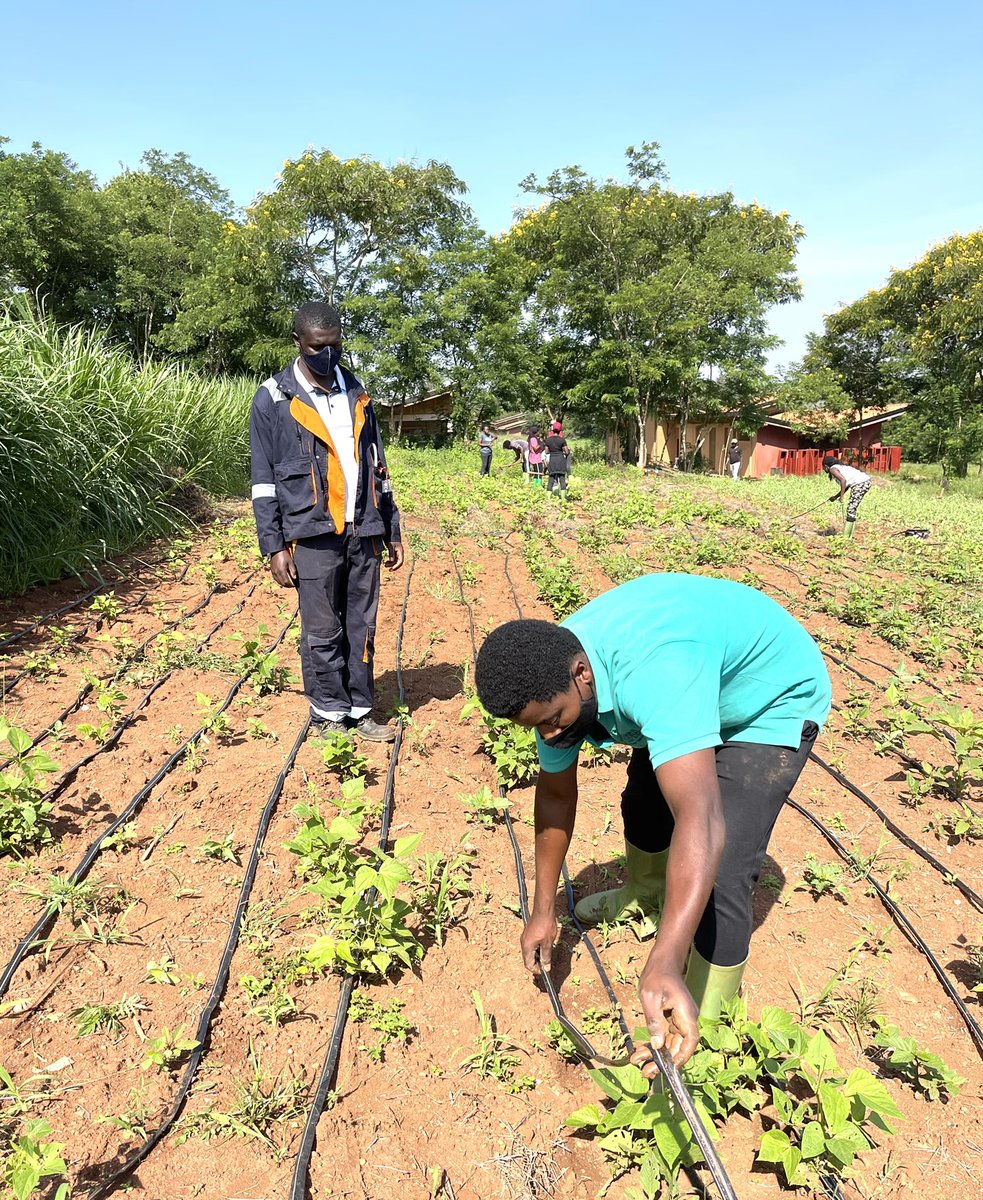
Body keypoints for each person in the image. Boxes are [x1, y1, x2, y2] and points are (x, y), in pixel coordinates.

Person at [474, 574, 831, 1070]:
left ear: (582, 674)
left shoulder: (656, 670)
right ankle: (645, 895)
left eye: (554, 720)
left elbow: (701, 819)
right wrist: (543, 910)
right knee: (643, 802)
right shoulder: (547, 682)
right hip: (691, 681)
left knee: (724, 870)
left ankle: (708, 1017)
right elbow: (555, 796)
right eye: (536, 727)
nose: (550, 735)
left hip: (767, 697)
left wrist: (665, 961)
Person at [249, 302, 403, 742]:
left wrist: (390, 526)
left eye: (335, 345)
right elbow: (263, 480)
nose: (328, 354)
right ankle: (327, 713)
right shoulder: (273, 399)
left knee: (362, 624)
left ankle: (360, 708)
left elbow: (377, 463)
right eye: (319, 346)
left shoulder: (356, 391)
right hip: (312, 531)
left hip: (364, 528)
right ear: (298, 342)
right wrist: (274, 545)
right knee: (322, 628)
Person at [824, 454, 872, 538]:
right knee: (852, 509)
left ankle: (846, 537)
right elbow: (846, 485)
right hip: (865, 481)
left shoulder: (833, 469)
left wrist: (841, 497)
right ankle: (849, 535)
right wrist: (836, 496)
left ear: (826, 466)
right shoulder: (838, 467)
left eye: (823, 467)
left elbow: (843, 481)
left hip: (861, 483)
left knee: (851, 509)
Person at [544, 425, 570, 495]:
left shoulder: (548, 440)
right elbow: (567, 452)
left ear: (553, 430)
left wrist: (552, 451)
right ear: (560, 431)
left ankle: (548, 498)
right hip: (560, 460)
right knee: (562, 479)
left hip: (552, 460)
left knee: (551, 479)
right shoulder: (562, 440)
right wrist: (563, 452)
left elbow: (546, 451)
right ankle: (563, 498)